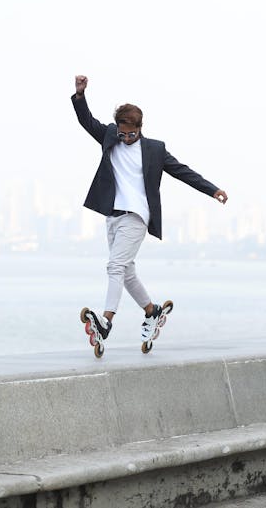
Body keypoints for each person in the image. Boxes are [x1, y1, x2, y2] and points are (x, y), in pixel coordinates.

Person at [72, 74, 228, 354]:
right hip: (113, 215)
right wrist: (80, 95)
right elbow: (87, 121)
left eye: (131, 134)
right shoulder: (110, 136)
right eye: (123, 134)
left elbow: (182, 171)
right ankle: (152, 311)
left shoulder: (155, 149)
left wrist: (212, 189)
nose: (126, 138)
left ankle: (106, 322)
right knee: (127, 271)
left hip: (137, 216)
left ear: (140, 128)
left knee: (115, 267)